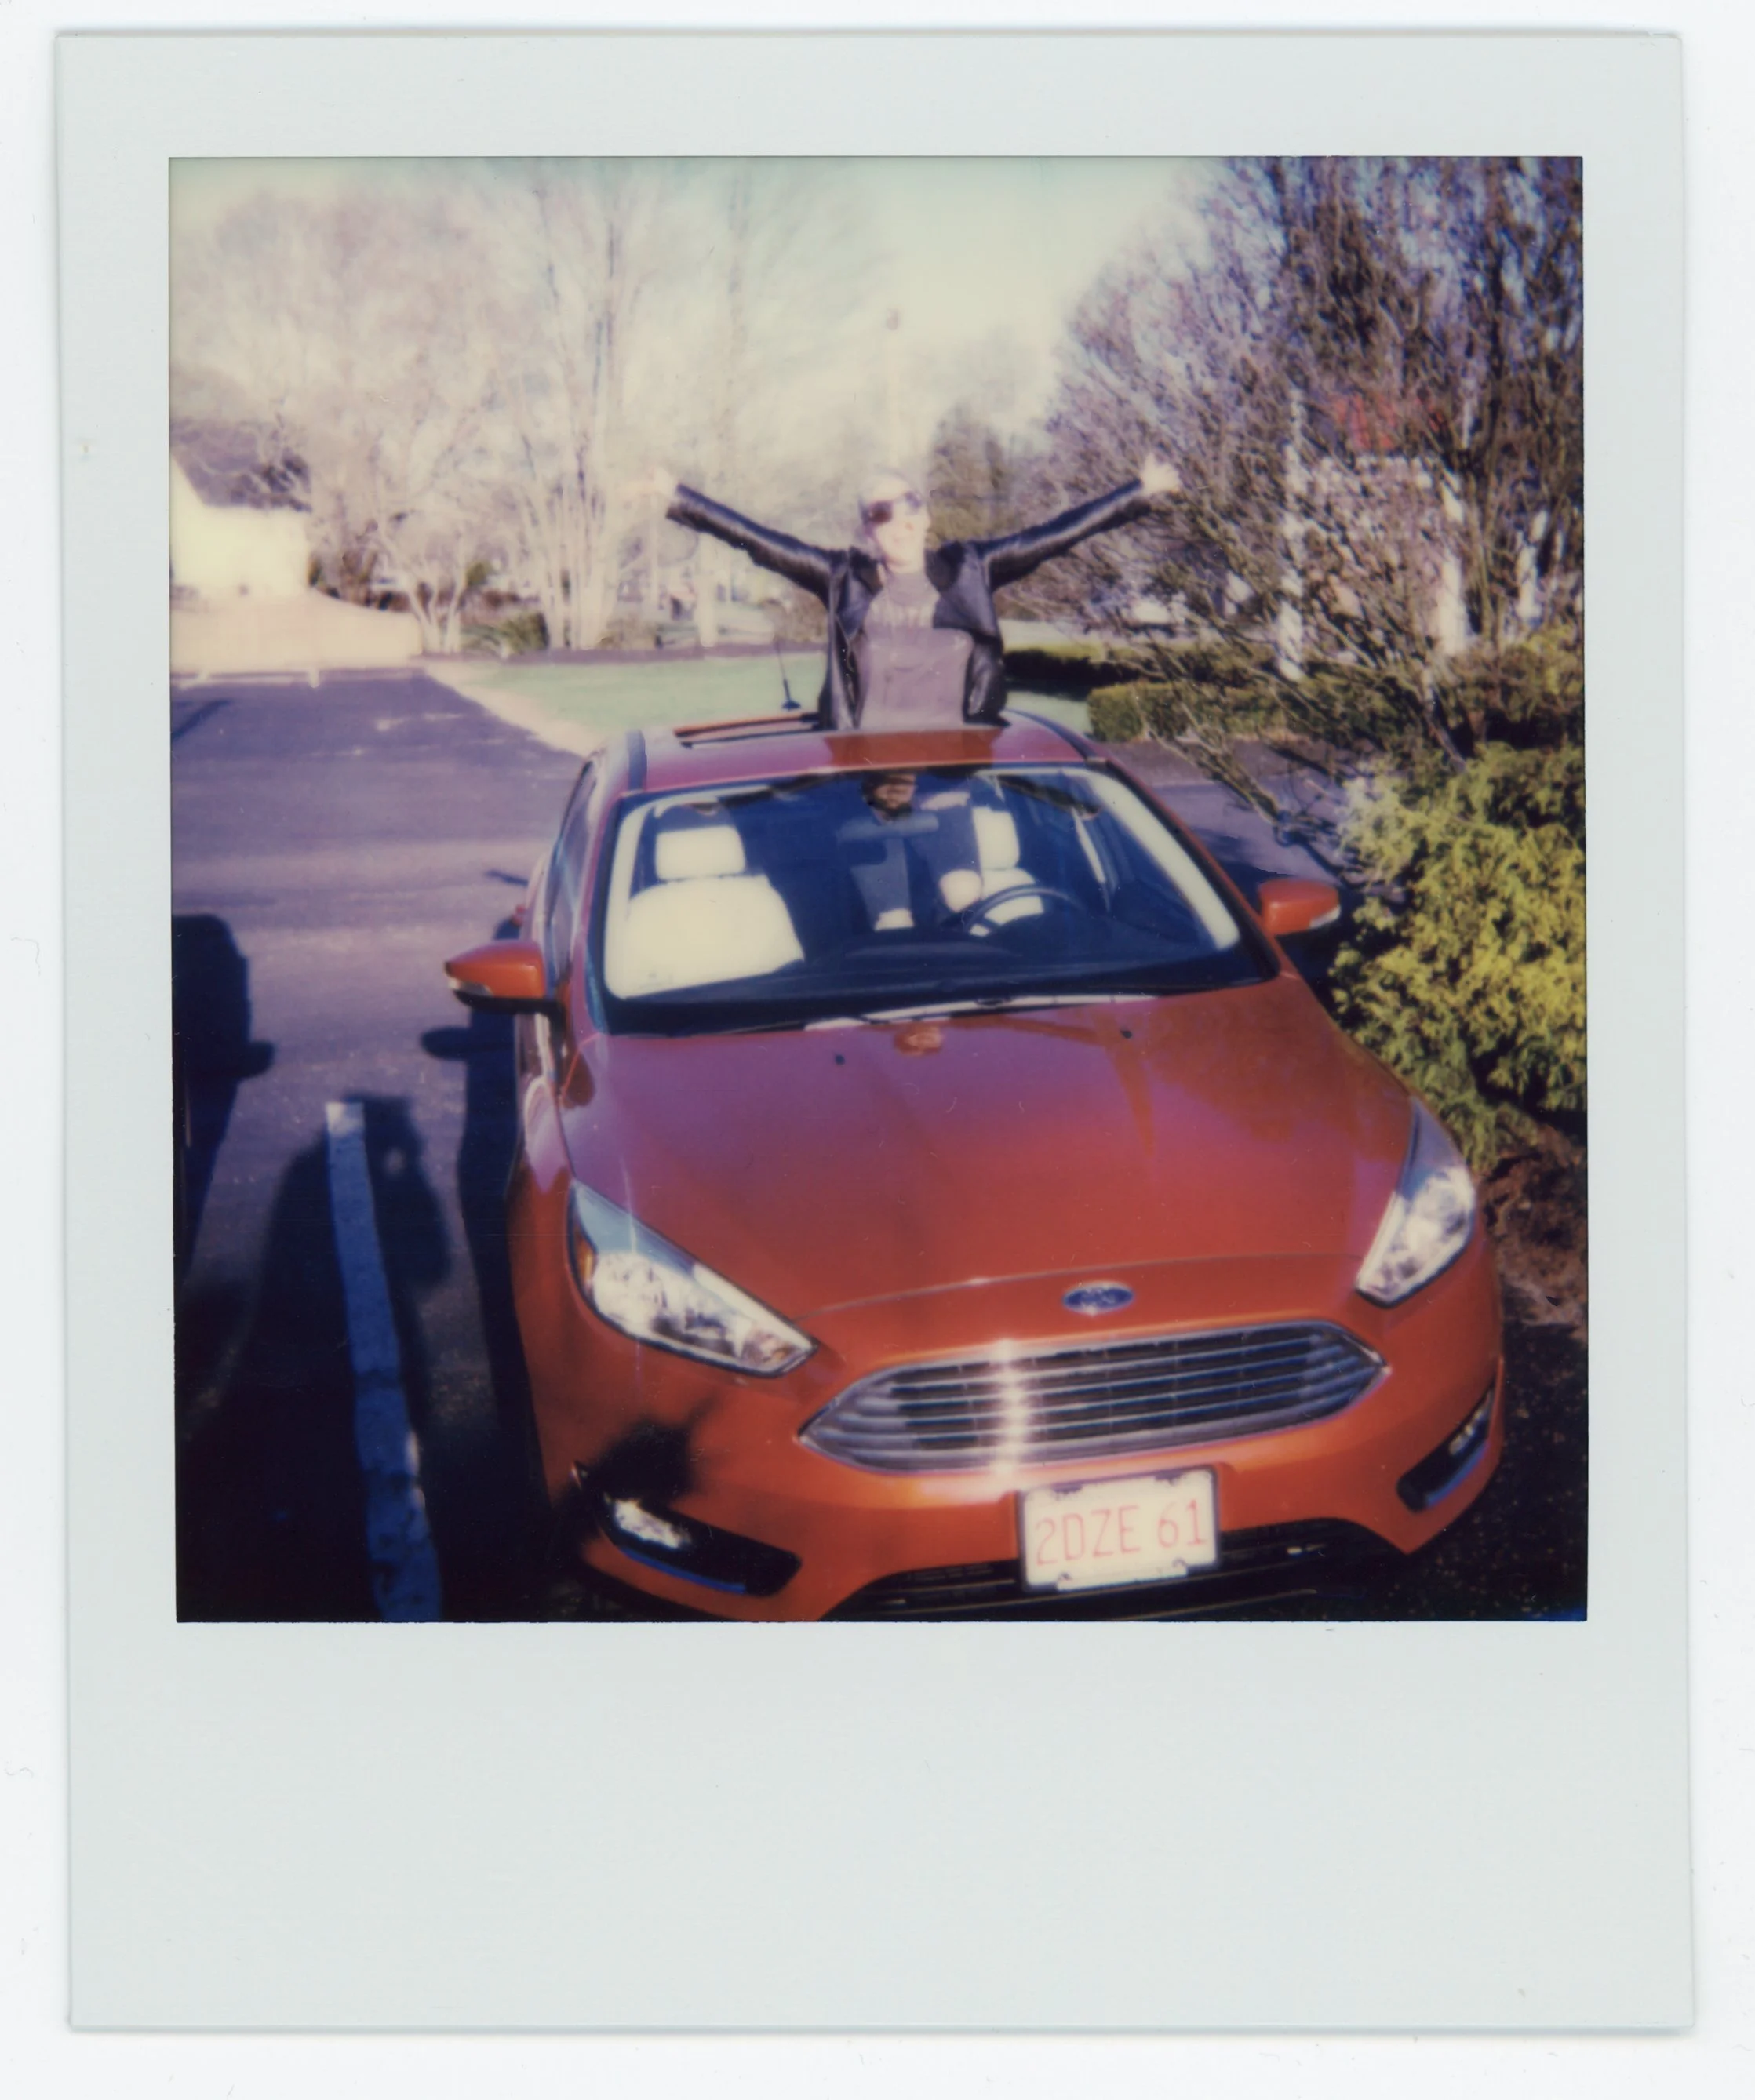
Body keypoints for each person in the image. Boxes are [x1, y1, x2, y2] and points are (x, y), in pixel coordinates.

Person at [634, 455, 1180, 729]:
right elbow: (757, 539)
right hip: (866, 781)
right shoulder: (842, 577)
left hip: (956, 774)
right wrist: (675, 496)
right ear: (867, 530)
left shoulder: (972, 567)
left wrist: (1139, 492)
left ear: (926, 515)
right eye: (880, 512)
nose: (899, 520)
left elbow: (1059, 533)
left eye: (909, 505)